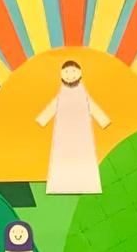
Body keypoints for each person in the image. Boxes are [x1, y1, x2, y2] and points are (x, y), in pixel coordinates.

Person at [34, 59, 110, 194]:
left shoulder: (83, 93)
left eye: (73, 71)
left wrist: (103, 120)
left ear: (79, 73)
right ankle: (60, 185)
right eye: (67, 72)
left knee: (83, 156)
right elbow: (53, 106)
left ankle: (87, 184)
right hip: (63, 133)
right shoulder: (61, 94)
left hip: (82, 133)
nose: (70, 75)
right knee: (62, 157)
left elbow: (92, 106)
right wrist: (42, 119)